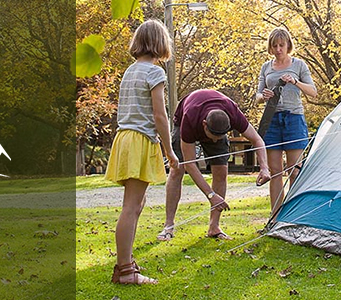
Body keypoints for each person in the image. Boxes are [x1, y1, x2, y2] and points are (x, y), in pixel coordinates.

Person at [106, 20, 179, 285]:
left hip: (125, 139)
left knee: (137, 204)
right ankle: (125, 270)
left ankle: (127, 264)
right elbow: (160, 116)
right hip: (139, 140)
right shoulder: (155, 73)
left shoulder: (130, 71)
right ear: (159, 43)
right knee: (131, 206)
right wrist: (170, 152)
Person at [157, 89, 271, 241]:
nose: (216, 141)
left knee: (221, 172)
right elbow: (190, 164)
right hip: (185, 117)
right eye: (214, 136)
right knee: (177, 169)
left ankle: (214, 227)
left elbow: (257, 140)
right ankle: (168, 226)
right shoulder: (190, 117)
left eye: (221, 136)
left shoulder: (233, 112)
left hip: (216, 115)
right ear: (204, 125)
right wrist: (211, 195)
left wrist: (264, 167)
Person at [255, 28, 317, 214]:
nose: (278, 49)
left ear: (288, 45)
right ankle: (274, 218)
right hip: (272, 121)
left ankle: (293, 216)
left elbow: (313, 92)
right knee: (275, 172)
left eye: (281, 45)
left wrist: (295, 82)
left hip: (294, 119)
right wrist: (263, 96)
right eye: (274, 46)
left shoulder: (299, 65)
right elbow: (257, 96)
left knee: (295, 170)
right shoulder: (266, 67)